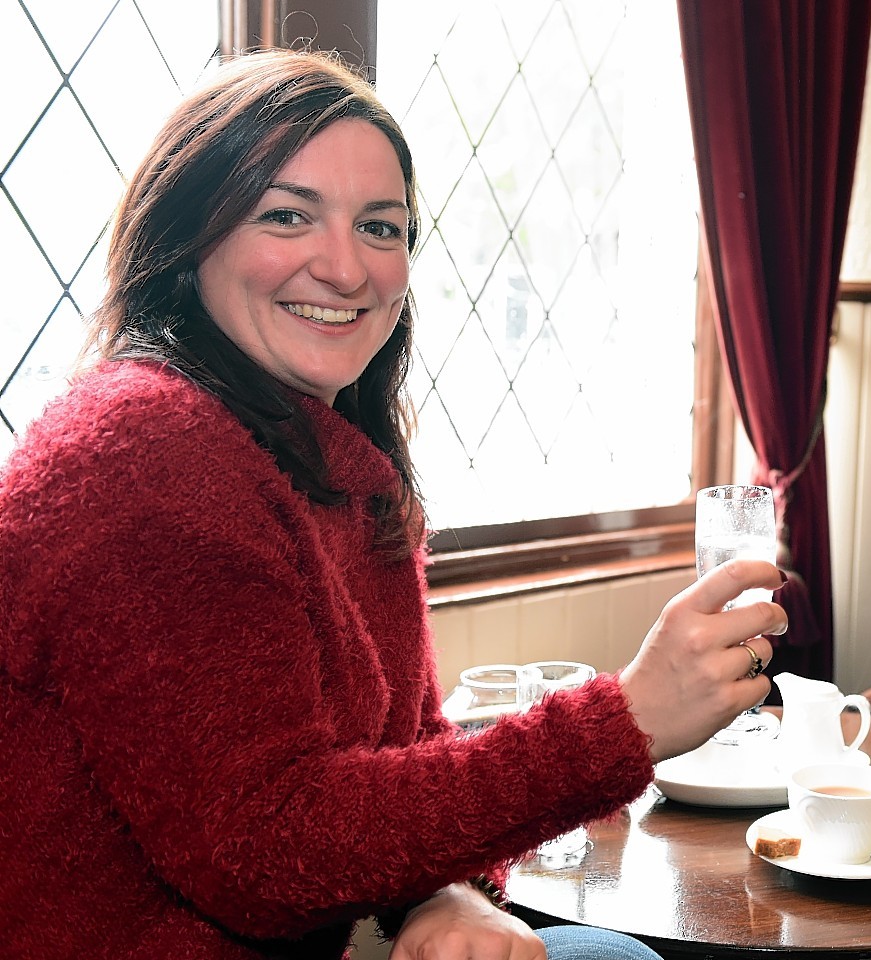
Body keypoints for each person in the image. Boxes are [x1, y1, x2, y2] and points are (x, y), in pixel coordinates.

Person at [0, 49, 786, 960]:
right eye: (287, 215)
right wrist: (628, 722)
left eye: (381, 227)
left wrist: (444, 894)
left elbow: (409, 749)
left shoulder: (337, 464)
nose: (345, 268)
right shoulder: (140, 451)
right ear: (188, 238)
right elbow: (259, 849)